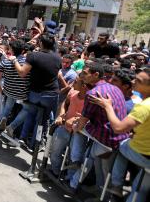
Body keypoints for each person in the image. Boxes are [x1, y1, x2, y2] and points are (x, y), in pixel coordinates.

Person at [89, 67, 150, 201]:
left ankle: (116, 186)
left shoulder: (143, 106)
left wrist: (108, 106)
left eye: (139, 81)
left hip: (143, 154)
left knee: (121, 144)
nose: (134, 81)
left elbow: (117, 128)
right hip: (143, 151)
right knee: (139, 191)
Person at [69, 61, 129, 191]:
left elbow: (82, 123)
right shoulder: (115, 88)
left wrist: (76, 126)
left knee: (77, 126)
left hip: (107, 137)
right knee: (95, 162)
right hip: (119, 136)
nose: (81, 75)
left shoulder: (93, 93)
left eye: (85, 73)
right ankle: (76, 177)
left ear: (96, 74)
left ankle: (75, 160)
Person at [8, 32, 62, 147]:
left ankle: (22, 138)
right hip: (51, 94)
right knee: (42, 120)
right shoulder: (58, 57)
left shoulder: (33, 55)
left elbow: (22, 72)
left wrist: (14, 61)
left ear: (41, 43)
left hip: (35, 93)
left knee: (30, 114)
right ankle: (35, 144)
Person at [49, 74, 88, 177]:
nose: (72, 84)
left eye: (75, 82)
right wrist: (61, 116)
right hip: (64, 128)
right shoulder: (72, 92)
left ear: (84, 86)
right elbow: (64, 104)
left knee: (73, 158)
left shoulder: (90, 101)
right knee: (54, 152)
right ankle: (55, 172)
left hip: (78, 133)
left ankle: (68, 179)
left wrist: (76, 119)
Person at [0, 39, 30, 131]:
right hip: (22, 93)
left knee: (9, 104)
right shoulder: (28, 62)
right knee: (28, 109)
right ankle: (12, 126)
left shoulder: (4, 62)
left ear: (11, 50)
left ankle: (2, 119)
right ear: (23, 50)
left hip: (9, 91)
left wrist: (1, 91)